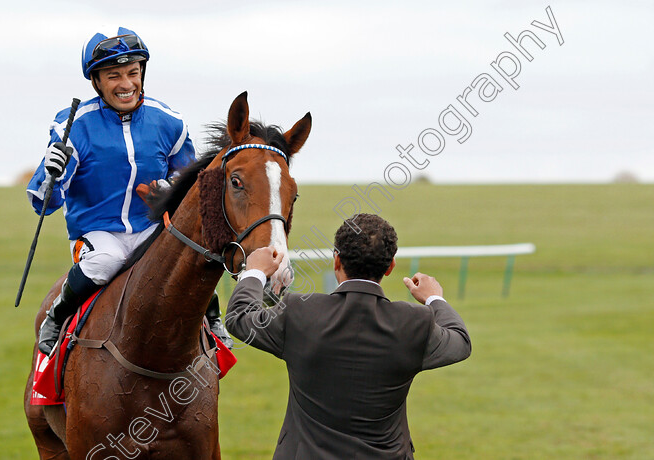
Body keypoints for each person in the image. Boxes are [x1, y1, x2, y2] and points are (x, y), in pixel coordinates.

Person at [27, 27, 231, 355]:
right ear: (96, 82)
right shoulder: (73, 126)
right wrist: (50, 175)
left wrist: (171, 190)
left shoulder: (170, 122)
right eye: (113, 75)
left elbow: (191, 185)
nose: (126, 84)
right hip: (96, 233)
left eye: (133, 73)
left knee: (191, 251)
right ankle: (57, 316)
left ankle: (212, 317)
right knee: (108, 260)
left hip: (151, 227)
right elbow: (45, 203)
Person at [225, 213, 471, 459]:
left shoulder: (299, 311)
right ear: (390, 267)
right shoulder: (415, 323)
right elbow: (460, 341)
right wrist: (434, 298)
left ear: (336, 261)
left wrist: (255, 272)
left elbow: (239, 318)